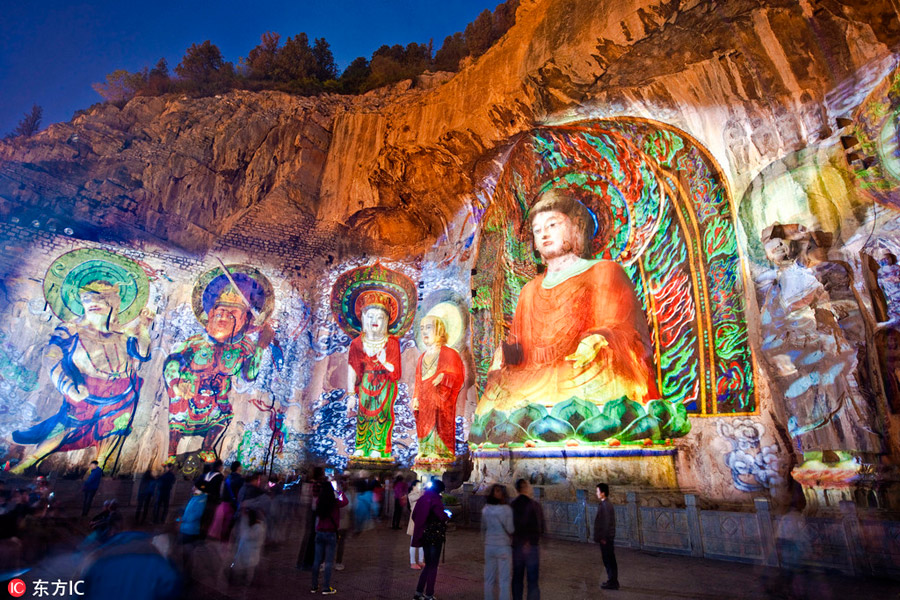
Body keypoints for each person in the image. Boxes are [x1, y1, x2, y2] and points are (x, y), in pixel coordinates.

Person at [477, 188, 658, 417]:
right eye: (537, 230)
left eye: (552, 225)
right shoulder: (529, 291)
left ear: (576, 229)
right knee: (499, 388)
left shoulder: (604, 271)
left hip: (582, 371)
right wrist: (504, 354)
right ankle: (544, 409)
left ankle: (548, 411)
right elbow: (520, 350)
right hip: (538, 377)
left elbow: (624, 331)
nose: (544, 234)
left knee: (607, 376)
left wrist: (598, 339)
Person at [13, 279, 153, 473]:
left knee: (114, 429)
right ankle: (27, 462)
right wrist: (67, 385)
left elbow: (143, 355)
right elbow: (51, 355)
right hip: (87, 389)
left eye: (101, 298)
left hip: (123, 390)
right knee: (67, 425)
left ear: (114, 301)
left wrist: (144, 328)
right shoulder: (71, 329)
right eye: (87, 298)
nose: (93, 302)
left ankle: (97, 469)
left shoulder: (124, 334)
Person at [164, 282, 275, 460]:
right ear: (210, 315)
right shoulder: (195, 343)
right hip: (189, 394)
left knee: (223, 416)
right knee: (179, 414)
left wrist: (260, 347)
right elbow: (173, 361)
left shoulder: (243, 347)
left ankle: (207, 447)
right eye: (220, 312)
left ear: (245, 320)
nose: (224, 317)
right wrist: (176, 384)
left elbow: (248, 375)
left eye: (232, 314)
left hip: (216, 399)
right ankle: (171, 452)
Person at [346, 293, 402, 458]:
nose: (374, 320)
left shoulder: (391, 342)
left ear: (387, 320)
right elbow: (353, 368)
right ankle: (361, 445)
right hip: (365, 383)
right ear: (363, 318)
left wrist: (384, 363)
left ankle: (378, 446)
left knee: (381, 415)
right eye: (370, 316)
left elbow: (395, 371)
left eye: (380, 316)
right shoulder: (357, 343)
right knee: (363, 415)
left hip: (385, 383)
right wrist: (350, 395)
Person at [412, 316, 464, 461]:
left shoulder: (450, 354)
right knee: (424, 424)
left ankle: (441, 451)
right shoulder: (422, 357)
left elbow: (458, 377)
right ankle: (425, 449)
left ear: (439, 330)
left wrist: (444, 377)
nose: (424, 332)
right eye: (421, 329)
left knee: (439, 422)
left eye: (429, 327)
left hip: (441, 399)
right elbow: (418, 380)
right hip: (424, 399)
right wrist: (415, 397)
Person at [411, 479, 450, 600]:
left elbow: (414, 515)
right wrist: (447, 515)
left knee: (428, 565)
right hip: (434, 536)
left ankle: (418, 593)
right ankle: (429, 594)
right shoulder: (435, 499)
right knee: (433, 565)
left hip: (424, 535)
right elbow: (441, 516)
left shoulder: (423, 498)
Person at [310, 475, 348, 595]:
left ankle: (314, 586)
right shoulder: (335, 502)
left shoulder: (319, 501)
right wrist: (338, 491)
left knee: (317, 560)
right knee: (329, 561)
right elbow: (345, 501)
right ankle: (326, 587)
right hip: (331, 533)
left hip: (320, 532)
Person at [511, 479, 544, 600]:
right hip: (532, 547)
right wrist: (530, 541)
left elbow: (510, 526)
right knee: (533, 580)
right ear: (526, 488)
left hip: (517, 546)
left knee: (517, 578)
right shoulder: (535, 505)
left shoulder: (512, 505)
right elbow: (540, 527)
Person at [483, 484, 514, 600]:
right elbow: (510, 529)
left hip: (489, 546)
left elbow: (483, 528)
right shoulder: (506, 509)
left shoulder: (486, 509)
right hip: (503, 547)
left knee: (489, 579)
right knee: (504, 579)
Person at [594, 482, 618, 590]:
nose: (596, 493)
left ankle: (613, 581)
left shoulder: (606, 505)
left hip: (606, 539)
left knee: (609, 559)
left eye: (597, 491)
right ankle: (612, 580)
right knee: (608, 559)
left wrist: (604, 537)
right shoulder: (604, 504)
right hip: (605, 538)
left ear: (603, 493)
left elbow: (607, 523)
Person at [407, 479, 424, 569]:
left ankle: (421, 560)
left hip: (422, 520)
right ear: (414, 486)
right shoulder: (411, 495)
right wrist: (421, 493)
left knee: (422, 542)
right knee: (413, 542)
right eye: (418, 485)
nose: (420, 487)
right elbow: (414, 498)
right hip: (414, 521)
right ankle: (412, 562)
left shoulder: (421, 494)